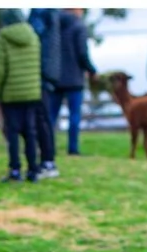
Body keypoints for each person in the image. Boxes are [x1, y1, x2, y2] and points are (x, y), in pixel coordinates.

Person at [0, 8, 47, 181]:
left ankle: (15, 170)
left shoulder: (2, 38)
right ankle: (33, 170)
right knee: (30, 132)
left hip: (11, 94)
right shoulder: (34, 36)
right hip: (32, 92)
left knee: (12, 133)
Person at [38, 6, 94, 158]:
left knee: (51, 116)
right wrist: (92, 70)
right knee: (74, 116)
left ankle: (47, 148)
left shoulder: (52, 24)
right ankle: (73, 149)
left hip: (54, 78)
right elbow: (82, 53)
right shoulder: (79, 26)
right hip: (75, 80)